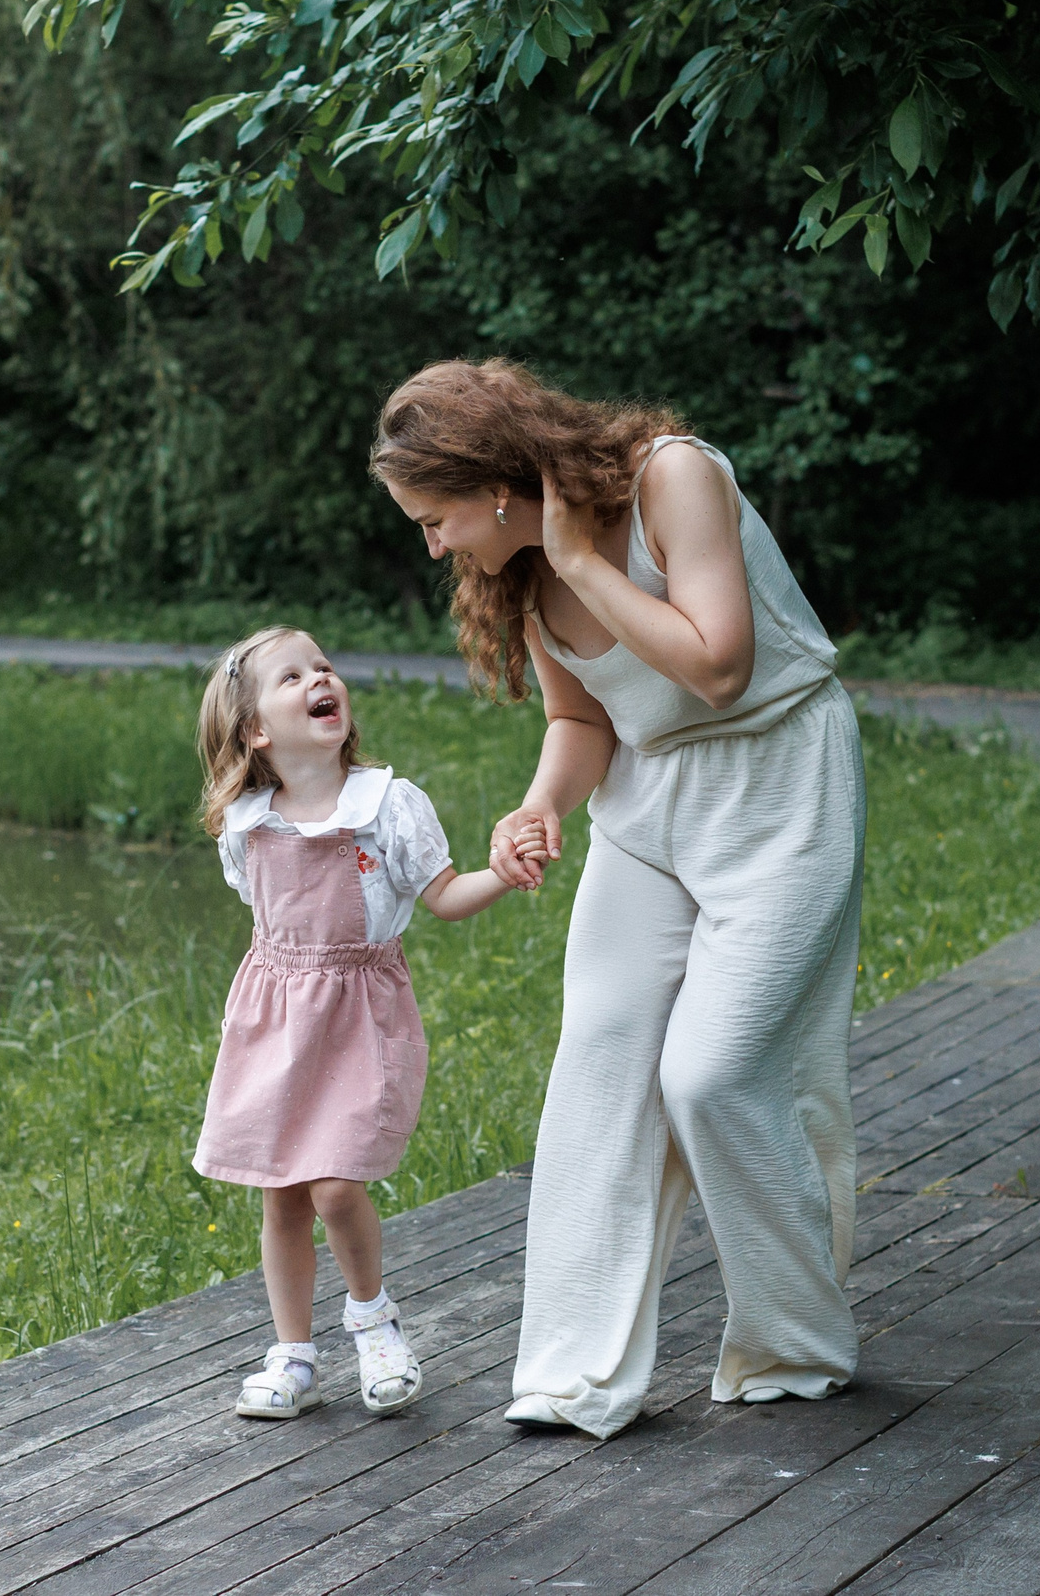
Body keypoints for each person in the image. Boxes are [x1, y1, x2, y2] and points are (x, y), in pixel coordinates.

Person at [370, 358, 864, 1441]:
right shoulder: (519, 576)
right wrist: (537, 805)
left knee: (715, 1075)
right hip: (648, 812)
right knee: (597, 1067)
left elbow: (720, 667)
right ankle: (570, 1376)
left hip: (779, 784)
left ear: (492, 487)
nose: (434, 546)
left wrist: (581, 561)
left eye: (433, 518)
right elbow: (585, 721)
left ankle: (795, 1341)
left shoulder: (672, 480)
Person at [193, 626, 514, 1420]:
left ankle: (373, 1318)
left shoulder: (387, 806)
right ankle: (293, 1351)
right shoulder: (248, 822)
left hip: (361, 1014)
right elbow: (270, 922)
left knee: (337, 1186)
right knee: (282, 1191)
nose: (320, 678)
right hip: (276, 1019)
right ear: (257, 731)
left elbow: (441, 897)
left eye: (324, 667)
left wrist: (501, 874)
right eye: (292, 675)